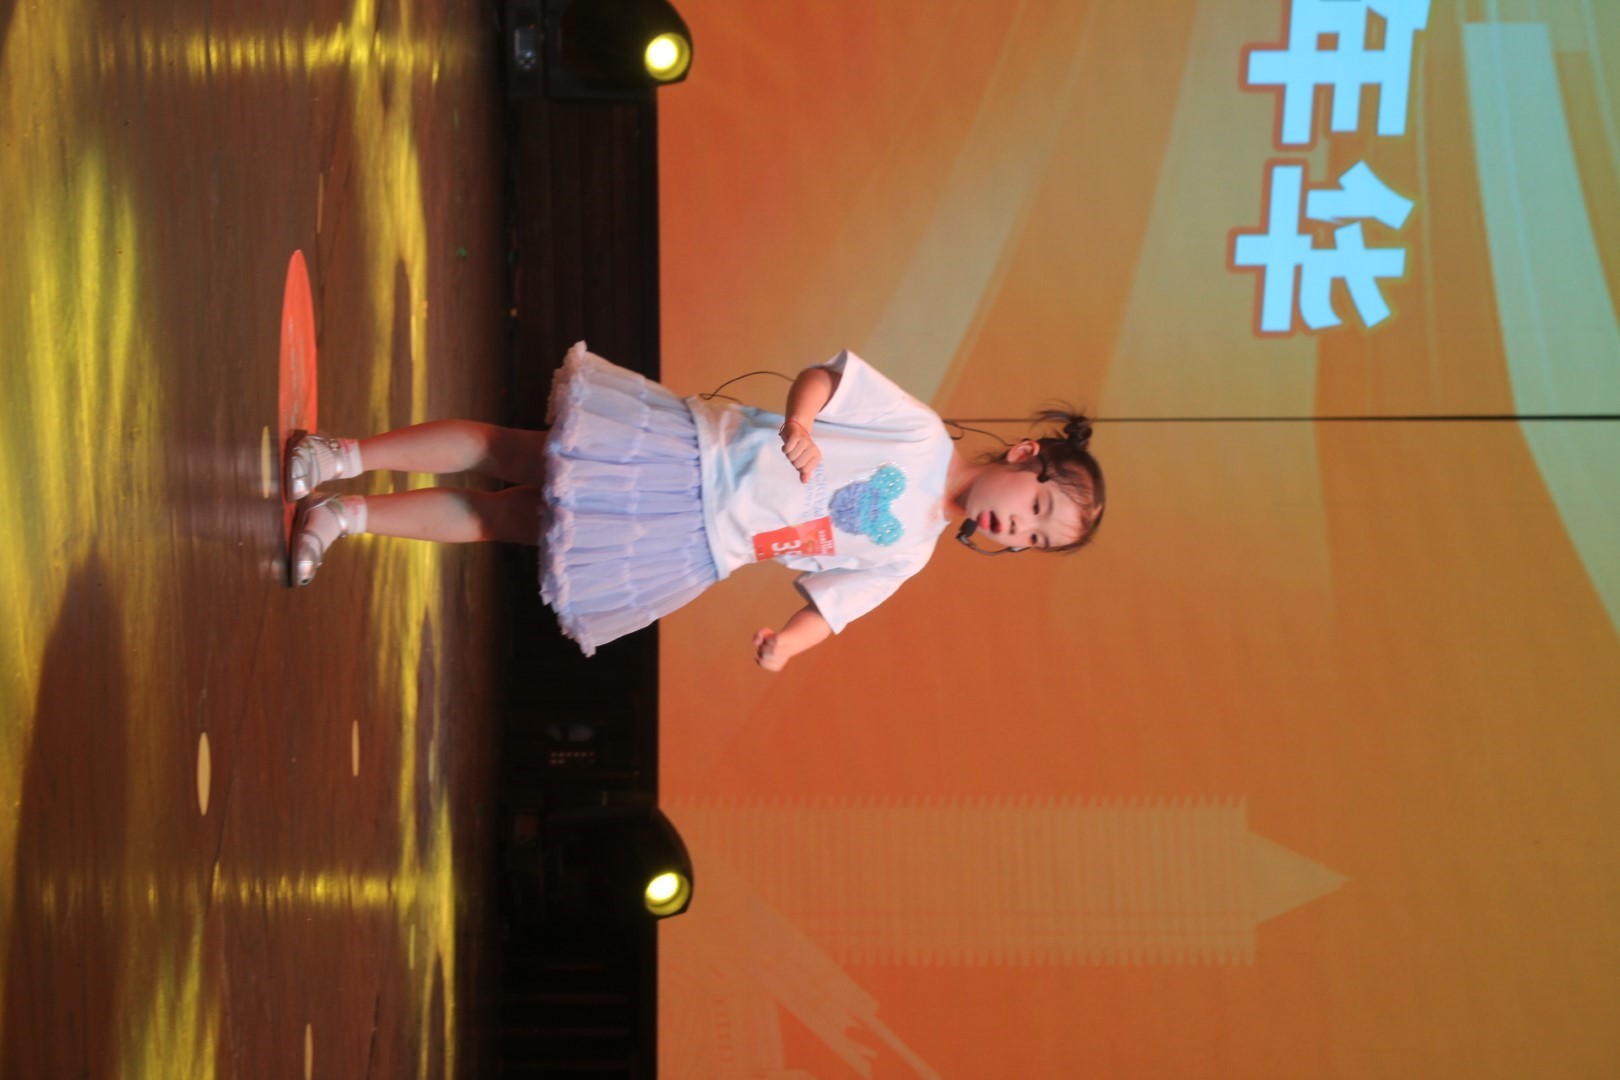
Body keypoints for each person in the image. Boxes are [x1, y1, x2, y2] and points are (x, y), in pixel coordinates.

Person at [286, 342, 1105, 671]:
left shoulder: (910, 554)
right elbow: (826, 377)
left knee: (507, 520)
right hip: (687, 458)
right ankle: (342, 456)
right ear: (1024, 455)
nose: (1019, 528)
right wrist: (800, 424)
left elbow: (832, 608)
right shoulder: (921, 435)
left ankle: (344, 519)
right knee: (512, 452)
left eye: (1035, 539)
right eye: (1037, 505)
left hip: (691, 542)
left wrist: (786, 646)